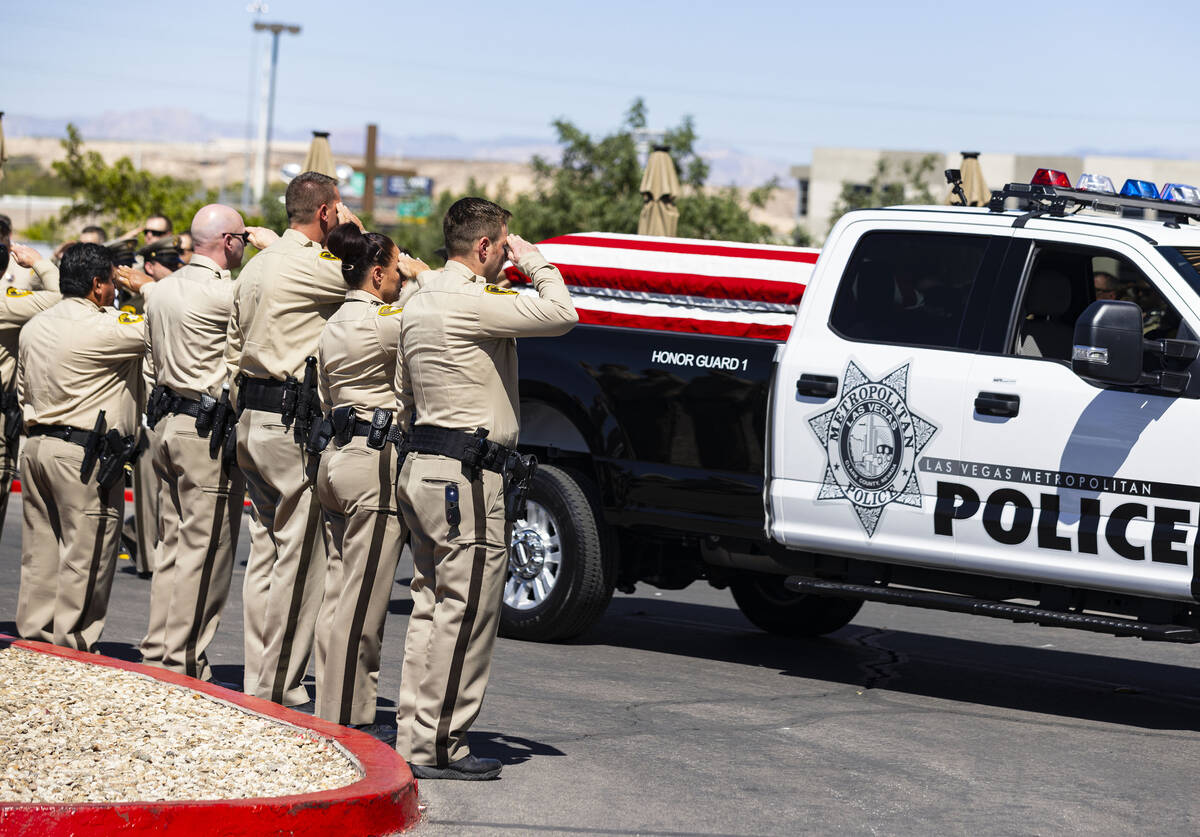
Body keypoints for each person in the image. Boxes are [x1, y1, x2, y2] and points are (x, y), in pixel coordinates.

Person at [394, 197, 577, 779]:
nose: (508, 252)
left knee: (429, 606)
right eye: (505, 242)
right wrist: (537, 261)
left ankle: (414, 734)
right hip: (466, 477)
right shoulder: (474, 302)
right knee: (466, 612)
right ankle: (441, 744)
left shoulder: (417, 298)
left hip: (422, 466)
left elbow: (402, 388)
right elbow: (562, 312)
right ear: (485, 246)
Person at [225, 171, 352, 707]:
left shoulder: (257, 266)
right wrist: (355, 230)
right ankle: (278, 685)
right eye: (337, 210)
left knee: (266, 551)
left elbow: (232, 344)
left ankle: (260, 671)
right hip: (288, 423)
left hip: (251, 417)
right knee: (300, 557)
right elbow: (377, 279)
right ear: (324, 213)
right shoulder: (312, 266)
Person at [313, 222, 427, 738]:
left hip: (336, 456)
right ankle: (348, 718)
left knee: (338, 591)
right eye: (395, 269)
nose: (401, 278)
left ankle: (330, 705)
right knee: (364, 599)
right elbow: (431, 320)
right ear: (377, 272)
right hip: (373, 460)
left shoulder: (333, 322)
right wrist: (423, 278)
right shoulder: (385, 320)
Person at [135, 204, 249, 682]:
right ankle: (182, 660)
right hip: (205, 430)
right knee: (205, 550)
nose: (244, 243)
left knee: (173, 544)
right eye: (242, 236)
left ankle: (158, 647)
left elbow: (146, 357)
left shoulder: (160, 291)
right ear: (227, 241)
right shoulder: (230, 293)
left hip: (166, 423)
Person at [16, 243, 147, 651]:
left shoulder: (35, 325)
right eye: (111, 281)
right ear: (97, 285)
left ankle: (36, 639)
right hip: (82, 454)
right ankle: (72, 645)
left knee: (42, 552)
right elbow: (161, 327)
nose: (114, 289)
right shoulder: (107, 327)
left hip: (37, 445)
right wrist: (147, 288)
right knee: (88, 552)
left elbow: (22, 386)